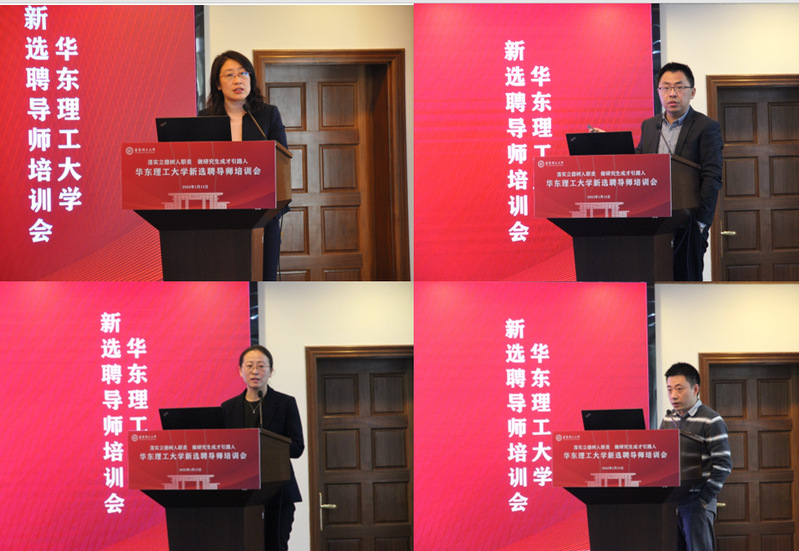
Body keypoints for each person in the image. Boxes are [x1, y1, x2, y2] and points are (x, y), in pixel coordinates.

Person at [201, 50, 289, 281]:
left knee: (264, 276)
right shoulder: (205, 119)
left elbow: (282, 160)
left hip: (263, 214)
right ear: (218, 84)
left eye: (243, 73)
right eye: (229, 75)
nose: (238, 80)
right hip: (220, 216)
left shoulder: (268, 115)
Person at [635, 62, 723, 281]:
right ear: (658, 92)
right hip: (653, 222)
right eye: (665, 87)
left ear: (692, 92)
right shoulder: (649, 126)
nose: (672, 93)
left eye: (679, 87)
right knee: (654, 281)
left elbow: (712, 177)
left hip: (688, 222)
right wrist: (614, 147)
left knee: (686, 282)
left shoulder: (706, 127)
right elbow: (639, 164)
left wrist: (701, 224)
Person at [221, 345, 304, 551]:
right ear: (240, 370)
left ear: (271, 371)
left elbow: (297, 447)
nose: (255, 371)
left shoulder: (285, 403)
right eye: (249, 366)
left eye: (261, 366)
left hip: (279, 491)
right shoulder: (228, 408)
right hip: (240, 493)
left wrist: (268, 446)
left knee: (275, 545)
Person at [660, 362, 731, 551]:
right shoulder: (668, 419)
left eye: (679, 389)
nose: (673, 395)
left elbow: (723, 464)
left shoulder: (711, 420)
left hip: (697, 500)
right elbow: (661, 457)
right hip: (671, 501)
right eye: (669, 389)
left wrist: (704, 499)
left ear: (695, 389)